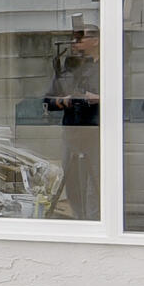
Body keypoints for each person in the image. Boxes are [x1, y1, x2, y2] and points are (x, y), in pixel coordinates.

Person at [45, 17, 105, 221]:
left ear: (95, 40)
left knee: (95, 182)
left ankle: (95, 223)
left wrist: (100, 99)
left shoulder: (108, 67)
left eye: (79, 39)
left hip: (96, 132)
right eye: (73, 39)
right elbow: (48, 101)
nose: (74, 43)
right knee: (70, 182)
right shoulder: (68, 69)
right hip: (71, 131)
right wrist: (66, 101)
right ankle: (81, 221)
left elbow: (121, 98)